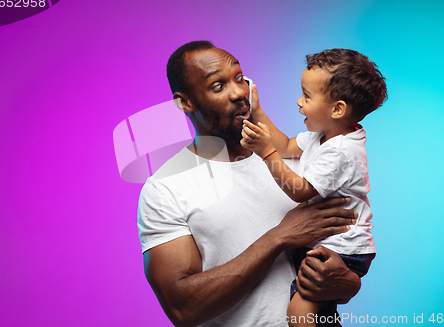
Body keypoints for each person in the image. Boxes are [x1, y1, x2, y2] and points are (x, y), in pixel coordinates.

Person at [138, 41, 361, 327]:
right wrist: (279, 237)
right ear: (185, 102)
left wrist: (348, 281)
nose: (239, 93)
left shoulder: (297, 160)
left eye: (240, 78)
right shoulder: (165, 188)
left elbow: (343, 250)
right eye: (218, 86)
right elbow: (182, 309)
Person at [240, 48, 387, 326]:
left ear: (337, 109)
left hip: (342, 249)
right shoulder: (325, 135)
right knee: (321, 317)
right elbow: (285, 146)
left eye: (307, 96)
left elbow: (300, 190)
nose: (298, 102)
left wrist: (265, 152)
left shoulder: (342, 151)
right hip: (332, 243)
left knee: (299, 313)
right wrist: (257, 111)